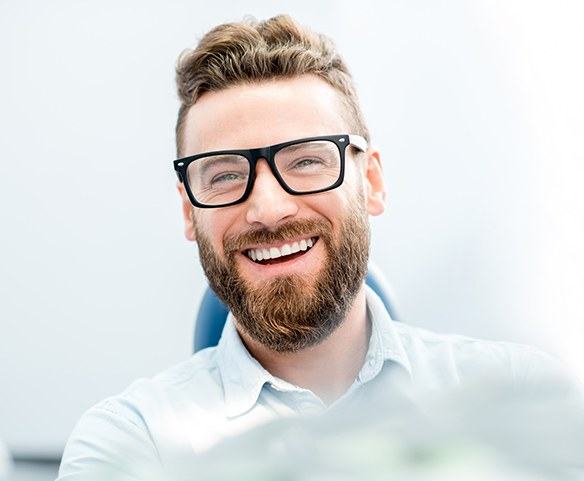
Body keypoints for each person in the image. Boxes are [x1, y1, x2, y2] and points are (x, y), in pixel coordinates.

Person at [57, 14, 579, 480]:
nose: (267, 208)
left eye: (306, 161)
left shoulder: (520, 397)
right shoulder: (132, 442)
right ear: (189, 210)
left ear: (371, 182)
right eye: (222, 175)